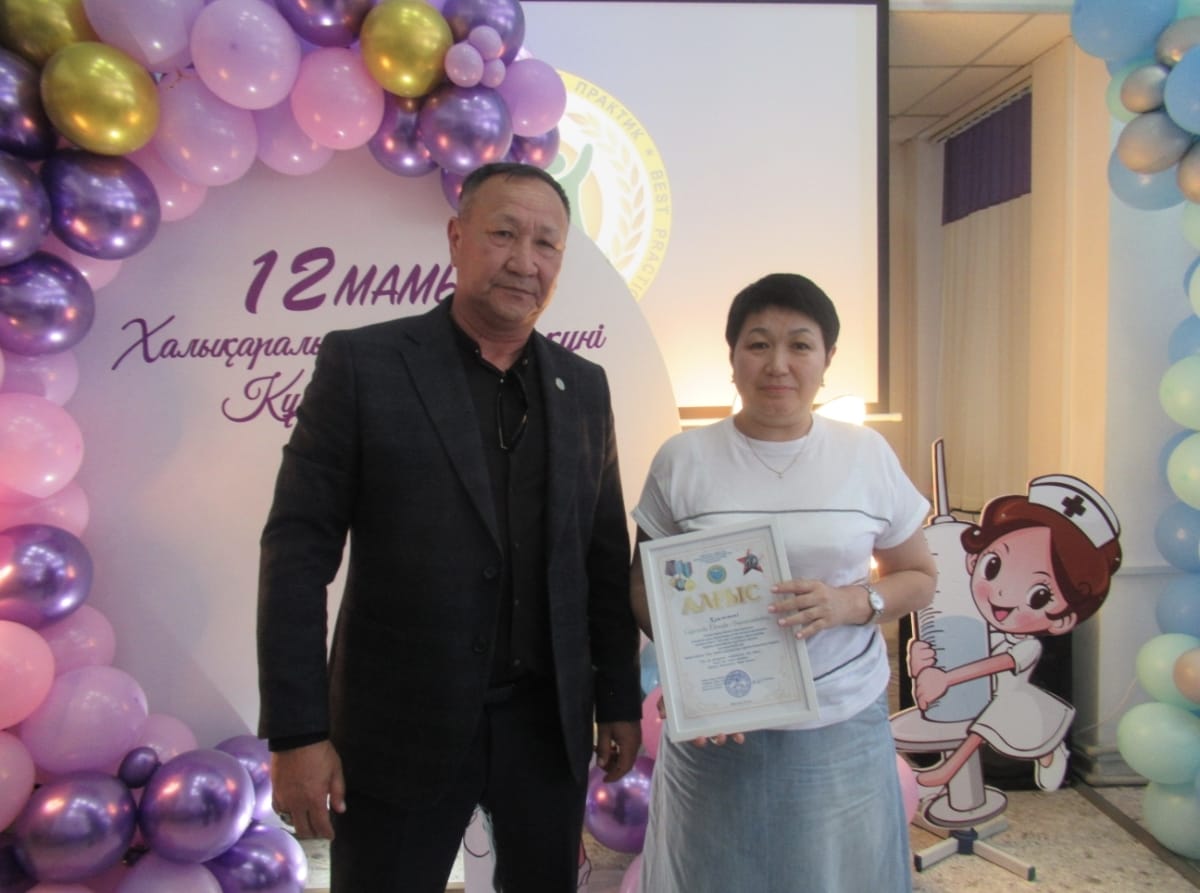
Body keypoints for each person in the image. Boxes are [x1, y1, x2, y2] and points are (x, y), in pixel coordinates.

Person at [256, 162, 643, 892]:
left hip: (545, 729)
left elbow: (601, 559)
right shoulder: (364, 364)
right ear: (457, 238)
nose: (525, 261)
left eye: (546, 244)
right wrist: (298, 732)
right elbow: (296, 552)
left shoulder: (584, 385)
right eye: (503, 234)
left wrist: (618, 701)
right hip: (398, 727)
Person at [630, 272, 937, 891]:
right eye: (758, 343)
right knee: (712, 873)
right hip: (719, 729)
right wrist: (692, 674)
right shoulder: (683, 459)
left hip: (839, 718)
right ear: (732, 357)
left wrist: (852, 602)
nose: (778, 364)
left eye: (800, 344)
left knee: (837, 876)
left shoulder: (867, 455)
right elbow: (643, 586)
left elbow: (920, 576)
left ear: (827, 359)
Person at [909, 476, 1122, 794]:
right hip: (980, 700)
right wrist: (921, 662)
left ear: (1063, 619)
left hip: (1020, 707)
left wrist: (948, 678)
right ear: (973, 560)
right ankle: (954, 775)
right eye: (993, 566)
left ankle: (951, 770)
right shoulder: (970, 626)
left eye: (1039, 595)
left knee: (991, 718)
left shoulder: (1028, 646)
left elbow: (992, 665)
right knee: (970, 717)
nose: (1002, 594)